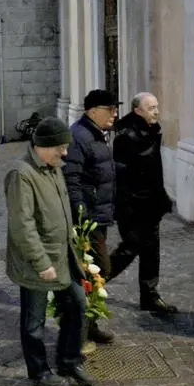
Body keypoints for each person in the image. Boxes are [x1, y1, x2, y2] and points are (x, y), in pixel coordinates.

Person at [5, 117, 95, 386]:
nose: (65, 153)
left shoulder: (53, 166)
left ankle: (68, 360)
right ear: (43, 146)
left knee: (77, 304)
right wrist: (41, 262)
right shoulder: (21, 174)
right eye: (60, 147)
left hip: (63, 255)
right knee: (34, 321)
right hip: (38, 261)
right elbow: (22, 224)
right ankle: (39, 371)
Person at [107, 92, 177, 316]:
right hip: (133, 206)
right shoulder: (126, 135)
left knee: (151, 250)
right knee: (129, 249)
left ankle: (150, 295)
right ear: (138, 110)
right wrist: (127, 206)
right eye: (151, 108)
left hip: (151, 203)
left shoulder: (150, 129)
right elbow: (122, 176)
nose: (156, 111)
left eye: (157, 106)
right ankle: (92, 283)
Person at [62, 89, 119, 343]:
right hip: (88, 219)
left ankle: (90, 324)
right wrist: (81, 215)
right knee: (95, 270)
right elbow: (71, 180)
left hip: (100, 213)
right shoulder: (79, 137)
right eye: (110, 109)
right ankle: (79, 331)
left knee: (96, 272)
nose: (115, 114)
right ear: (93, 111)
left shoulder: (97, 134)